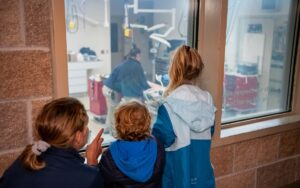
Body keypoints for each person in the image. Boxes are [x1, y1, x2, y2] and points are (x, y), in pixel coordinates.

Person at [0, 97, 105, 188]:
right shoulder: (88, 178)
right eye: (85, 126)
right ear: (78, 137)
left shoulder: (25, 159)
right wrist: (92, 163)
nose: (87, 130)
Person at [152, 45, 216, 188]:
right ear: (197, 71)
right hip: (203, 177)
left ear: (174, 70)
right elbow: (210, 131)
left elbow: (162, 139)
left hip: (179, 178)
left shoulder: (168, 105)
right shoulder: (208, 100)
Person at [99, 100, 164, 187]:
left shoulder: (109, 155)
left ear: (118, 125)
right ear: (148, 122)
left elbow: (103, 182)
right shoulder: (157, 146)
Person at [103, 44, 150, 135]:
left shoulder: (125, 63)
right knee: (115, 110)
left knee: (112, 110)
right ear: (137, 55)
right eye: (140, 56)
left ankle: (109, 129)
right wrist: (150, 88)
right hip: (111, 89)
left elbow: (128, 81)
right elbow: (143, 82)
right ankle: (114, 133)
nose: (140, 58)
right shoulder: (137, 66)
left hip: (107, 87)